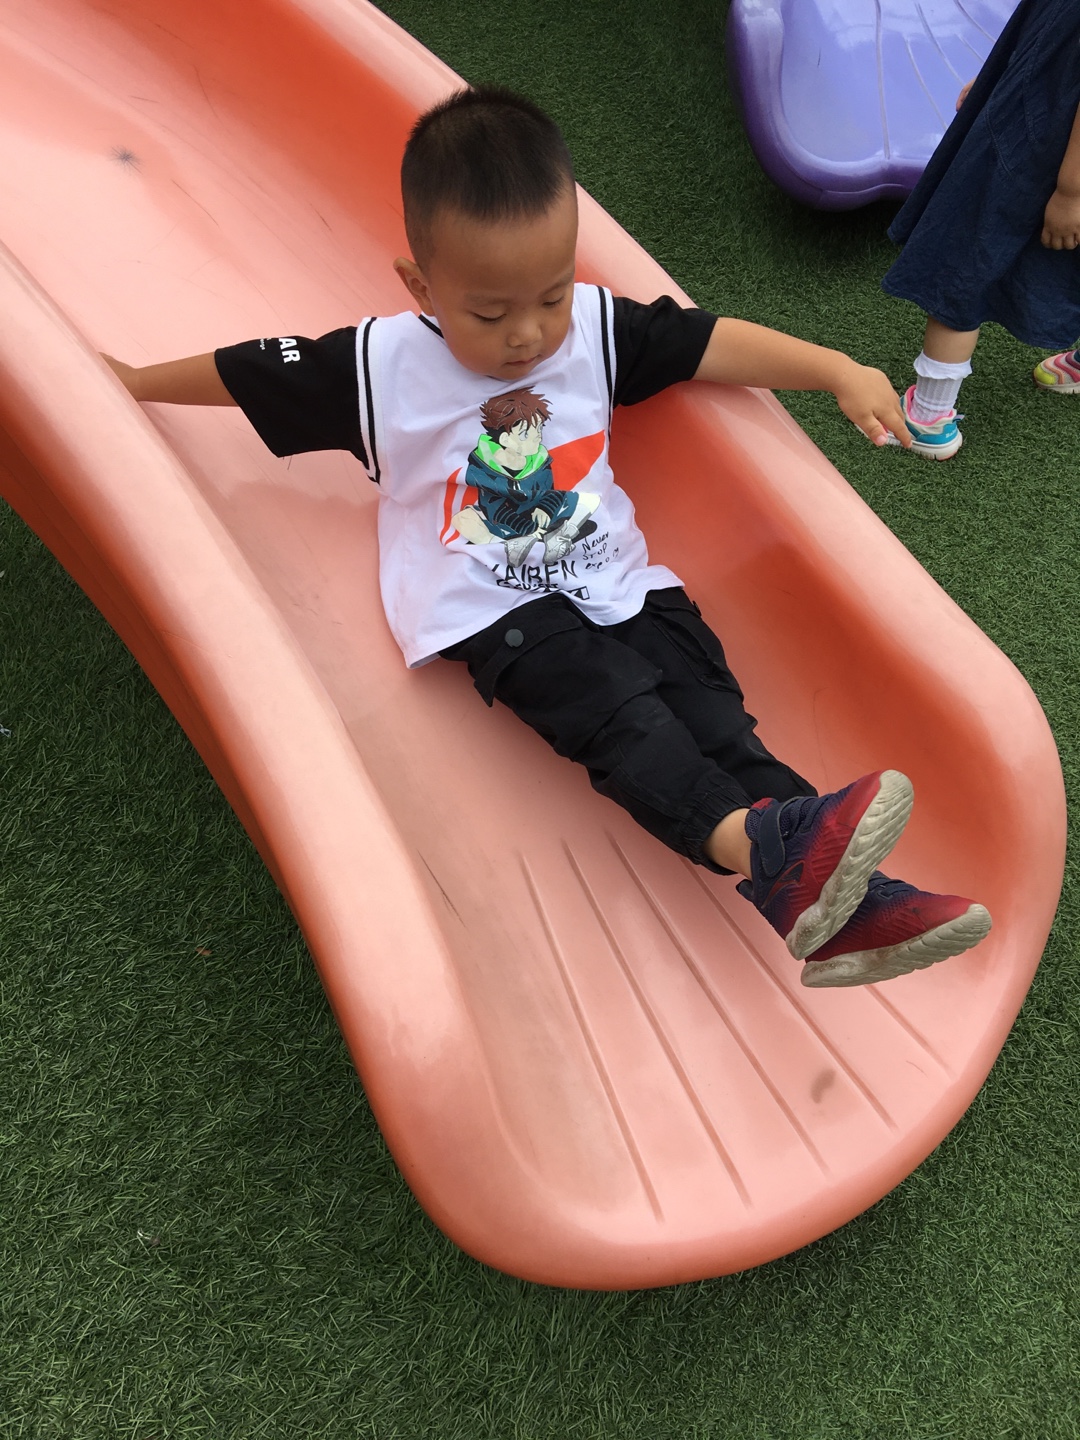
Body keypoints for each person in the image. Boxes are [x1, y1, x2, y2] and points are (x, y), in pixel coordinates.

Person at [103, 85, 991, 988]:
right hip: (493, 603)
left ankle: (845, 900)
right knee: (622, 716)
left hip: (622, 582)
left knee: (717, 717)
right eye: (489, 314)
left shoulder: (596, 330)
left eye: (551, 297)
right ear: (421, 286)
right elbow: (250, 371)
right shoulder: (380, 365)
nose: (527, 335)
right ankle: (758, 850)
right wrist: (133, 381)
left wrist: (834, 368)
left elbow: (707, 343)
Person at [883, 0, 1080, 459]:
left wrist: (1071, 190)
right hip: (1043, 104)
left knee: (966, 252)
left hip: (1049, 139)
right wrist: (1001, 75)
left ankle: (929, 417)